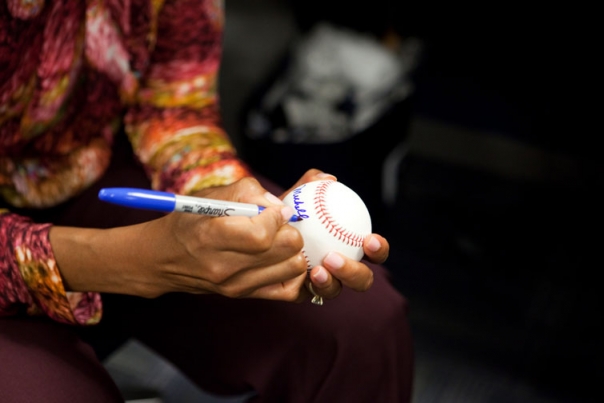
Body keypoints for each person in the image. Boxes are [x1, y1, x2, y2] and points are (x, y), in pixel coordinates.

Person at [0, 1, 414, 402]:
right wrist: (135, 261)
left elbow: (175, 108)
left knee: (361, 324)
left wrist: (235, 208)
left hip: (85, 166)